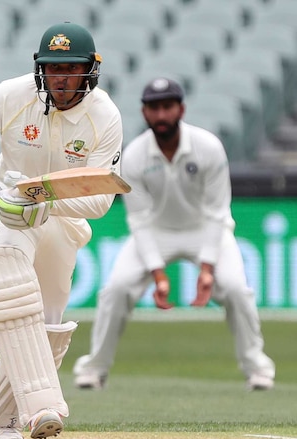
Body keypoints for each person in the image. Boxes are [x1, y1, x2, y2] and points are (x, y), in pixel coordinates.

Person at [0, 22, 123, 439]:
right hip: (3, 209)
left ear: (90, 71)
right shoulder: (13, 93)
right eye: (53, 68)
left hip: (61, 214)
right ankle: (39, 408)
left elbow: (99, 199)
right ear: (40, 69)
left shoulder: (104, 116)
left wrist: (45, 199)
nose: (61, 78)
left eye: (71, 69)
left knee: (48, 318)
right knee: (9, 281)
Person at [72, 77, 276, 392]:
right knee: (117, 289)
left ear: (181, 108)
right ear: (144, 113)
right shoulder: (135, 155)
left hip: (206, 230)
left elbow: (217, 212)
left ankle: (258, 369)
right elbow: (138, 219)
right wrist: (159, 274)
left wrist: (207, 270)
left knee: (236, 290)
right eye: (154, 108)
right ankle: (93, 369)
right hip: (156, 230)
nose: (162, 115)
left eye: (168, 106)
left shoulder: (208, 147)